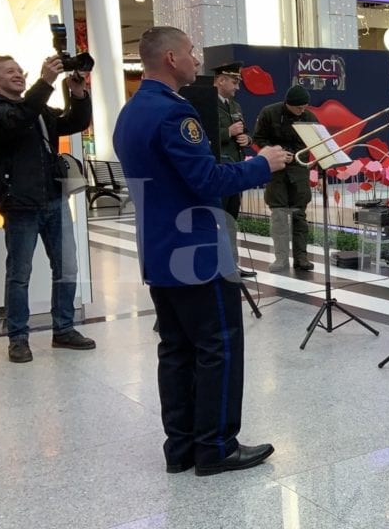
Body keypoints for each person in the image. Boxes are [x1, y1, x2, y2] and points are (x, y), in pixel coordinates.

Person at [113, 26, 288, 476]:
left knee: (175, 350)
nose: (196, 60)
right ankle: (216, 446)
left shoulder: (132, 110)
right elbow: (207, 182)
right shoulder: (176, 114)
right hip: (195, 249)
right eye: (191, 51)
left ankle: (182, 447)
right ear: (171, 58)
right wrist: (260, 165)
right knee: (219, 346)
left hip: (160, 248)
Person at [0, 54, 95, 363]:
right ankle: (18, 338)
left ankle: (64, 329)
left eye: (20, 70)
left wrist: (77, 93)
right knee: (19, 274)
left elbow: (74, 122)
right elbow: (15, 121)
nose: (18, 75)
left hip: (54, 198)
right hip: (19, 203)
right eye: (10, 72)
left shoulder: (38, 108)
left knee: (67, 267)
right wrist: (45, 82)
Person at [253, 84, 319, 272]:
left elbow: (317, 144)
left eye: (305, 106)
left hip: (299, 171)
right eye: (299, 107)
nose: (302, 110)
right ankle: (281, 258)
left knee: (300, 215)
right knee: (279, 215)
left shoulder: (309, 118)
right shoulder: (269, 113)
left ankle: (301, 258)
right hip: (277, 171)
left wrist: (298, 154)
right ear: (288, 103)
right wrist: (279, 152)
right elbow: (259, 138)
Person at [212, 62, 255, 278]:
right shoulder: (207, 105)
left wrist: (247, 138)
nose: (237, 86)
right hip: (219, 169)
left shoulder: (235, 106)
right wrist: (226, 132)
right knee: (219, 220)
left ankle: (232, 265)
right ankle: (218, 265)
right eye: (234, 81)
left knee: (231, 220)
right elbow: (203, 135)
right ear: (220, 80)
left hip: (235, 169)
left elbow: (245, 132)